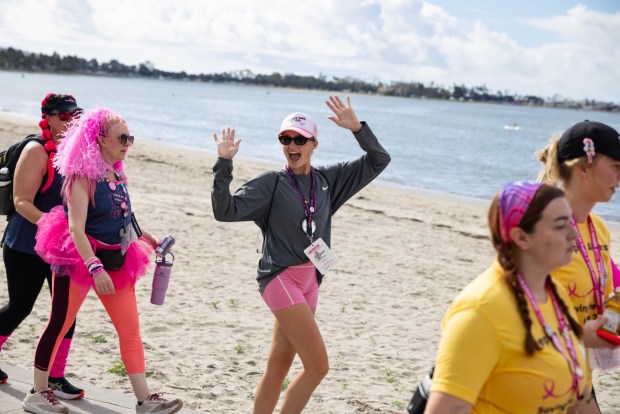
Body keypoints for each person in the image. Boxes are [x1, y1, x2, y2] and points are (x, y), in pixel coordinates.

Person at [212, 96, 390, 413]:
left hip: (310, 281)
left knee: (279, 365)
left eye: (299, 139)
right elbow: (224, 211)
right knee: (318, 366)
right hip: (280, 279)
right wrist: (224, 164)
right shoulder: (271, 184)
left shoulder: (328, 180)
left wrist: (357, 129)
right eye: (285, 139)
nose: (292, 144)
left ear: (313, 144)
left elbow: (379, 159)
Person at [23, 107, 183, 414]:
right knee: (59, 323)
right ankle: (37, 392)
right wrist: (95, 269)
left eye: (130, 137)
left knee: (130, 329)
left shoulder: (117, 173)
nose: (128, 142)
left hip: (116, 258)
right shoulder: (81, 179)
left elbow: (125, 217)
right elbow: (75, 229)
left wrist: (147, 238)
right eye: (123, 137)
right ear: (100, 139)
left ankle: (144, 400)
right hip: (79, 258)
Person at [425, 181, 604, 413]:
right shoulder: (480, 312)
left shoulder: (554, 293)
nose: (574, 234)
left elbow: (577, 395)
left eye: (571, 222)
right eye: (561, 225)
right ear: (522, 237)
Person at [0, 93, 84, 399]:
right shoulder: (36, 150)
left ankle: (57, 377)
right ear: (48, 116)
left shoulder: (75, 150)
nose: (70, 121)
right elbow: (22, 202)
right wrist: (57, 226)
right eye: (64, 115)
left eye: (76, 115)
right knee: (21, 306)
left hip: (62, 247)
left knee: (66, 314)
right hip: (25, 245)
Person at [537, 120, 620, 407]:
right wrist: (577, 333)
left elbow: (609, 285)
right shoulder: (543, 225)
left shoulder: (599, 228)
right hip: (536, 372)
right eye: (616, 167)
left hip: (575, 368)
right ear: (583, 167)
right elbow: (513, 309)